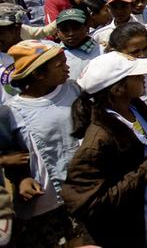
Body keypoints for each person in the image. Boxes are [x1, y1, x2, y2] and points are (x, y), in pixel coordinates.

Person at [62, 52, 147, 247]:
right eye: (137, 77)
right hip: (130, 231)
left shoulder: (134, 106)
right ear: (118, 89)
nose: (144, 78)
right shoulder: (98, 140)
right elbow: (88, 203)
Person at [4, 40, 82, 246]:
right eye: (59, 65)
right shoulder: (10, 112)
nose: (67, 68)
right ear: (39, 74)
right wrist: (20, 177)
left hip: (81, 191)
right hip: (45, 204)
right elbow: (11, 154)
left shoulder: (74, 90)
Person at [57, 7, 100, 80]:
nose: (71, 33)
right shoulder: (54, 56)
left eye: (76, 28)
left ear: (87, 28)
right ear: (57, 32)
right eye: (64, 29)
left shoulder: (102, 52)